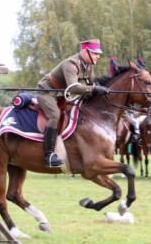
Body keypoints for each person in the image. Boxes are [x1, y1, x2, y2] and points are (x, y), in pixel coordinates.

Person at [37, 39, 109, 167]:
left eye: (98, 53)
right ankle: (49, 155)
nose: (98, 56)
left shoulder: (89, 65)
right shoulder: (71, 64)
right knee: (55, 116)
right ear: (85, 51)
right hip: (47, 93)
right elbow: (74, 88)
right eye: (95, 53)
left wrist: (102, 90)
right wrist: (94, 90)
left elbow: (91, 83)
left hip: (61, 95)